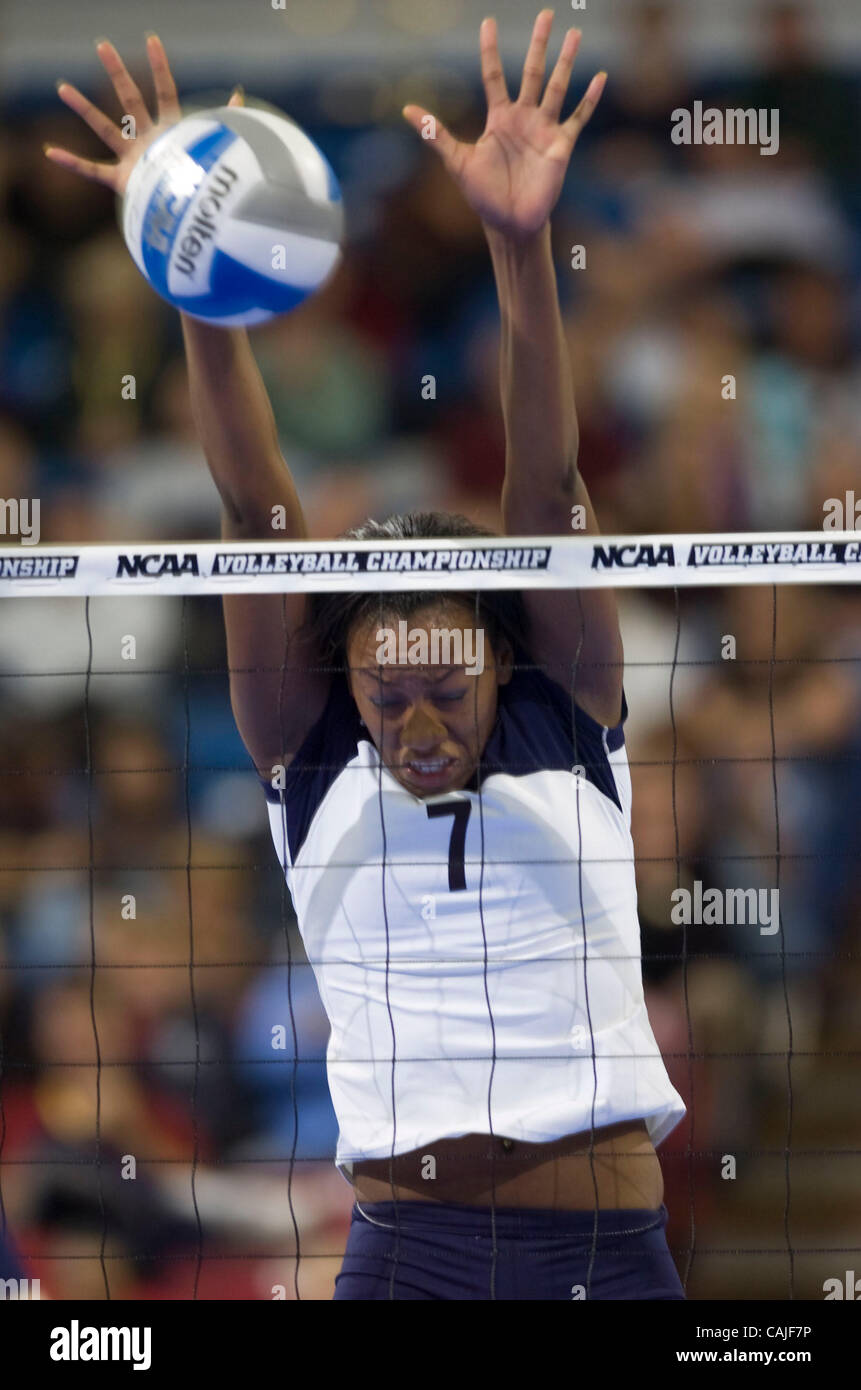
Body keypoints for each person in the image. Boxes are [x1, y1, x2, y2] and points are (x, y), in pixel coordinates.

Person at [46, 11, 685, 1300]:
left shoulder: (567, 706)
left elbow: (548, 492)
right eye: (389, 696)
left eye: (448, 688)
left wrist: (516, 249)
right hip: (411, 1256)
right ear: (349, 685)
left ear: (503, 664)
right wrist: (197, 279)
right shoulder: (310, 747)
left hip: (607, 1257)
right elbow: (252, 517)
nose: (419, 721)